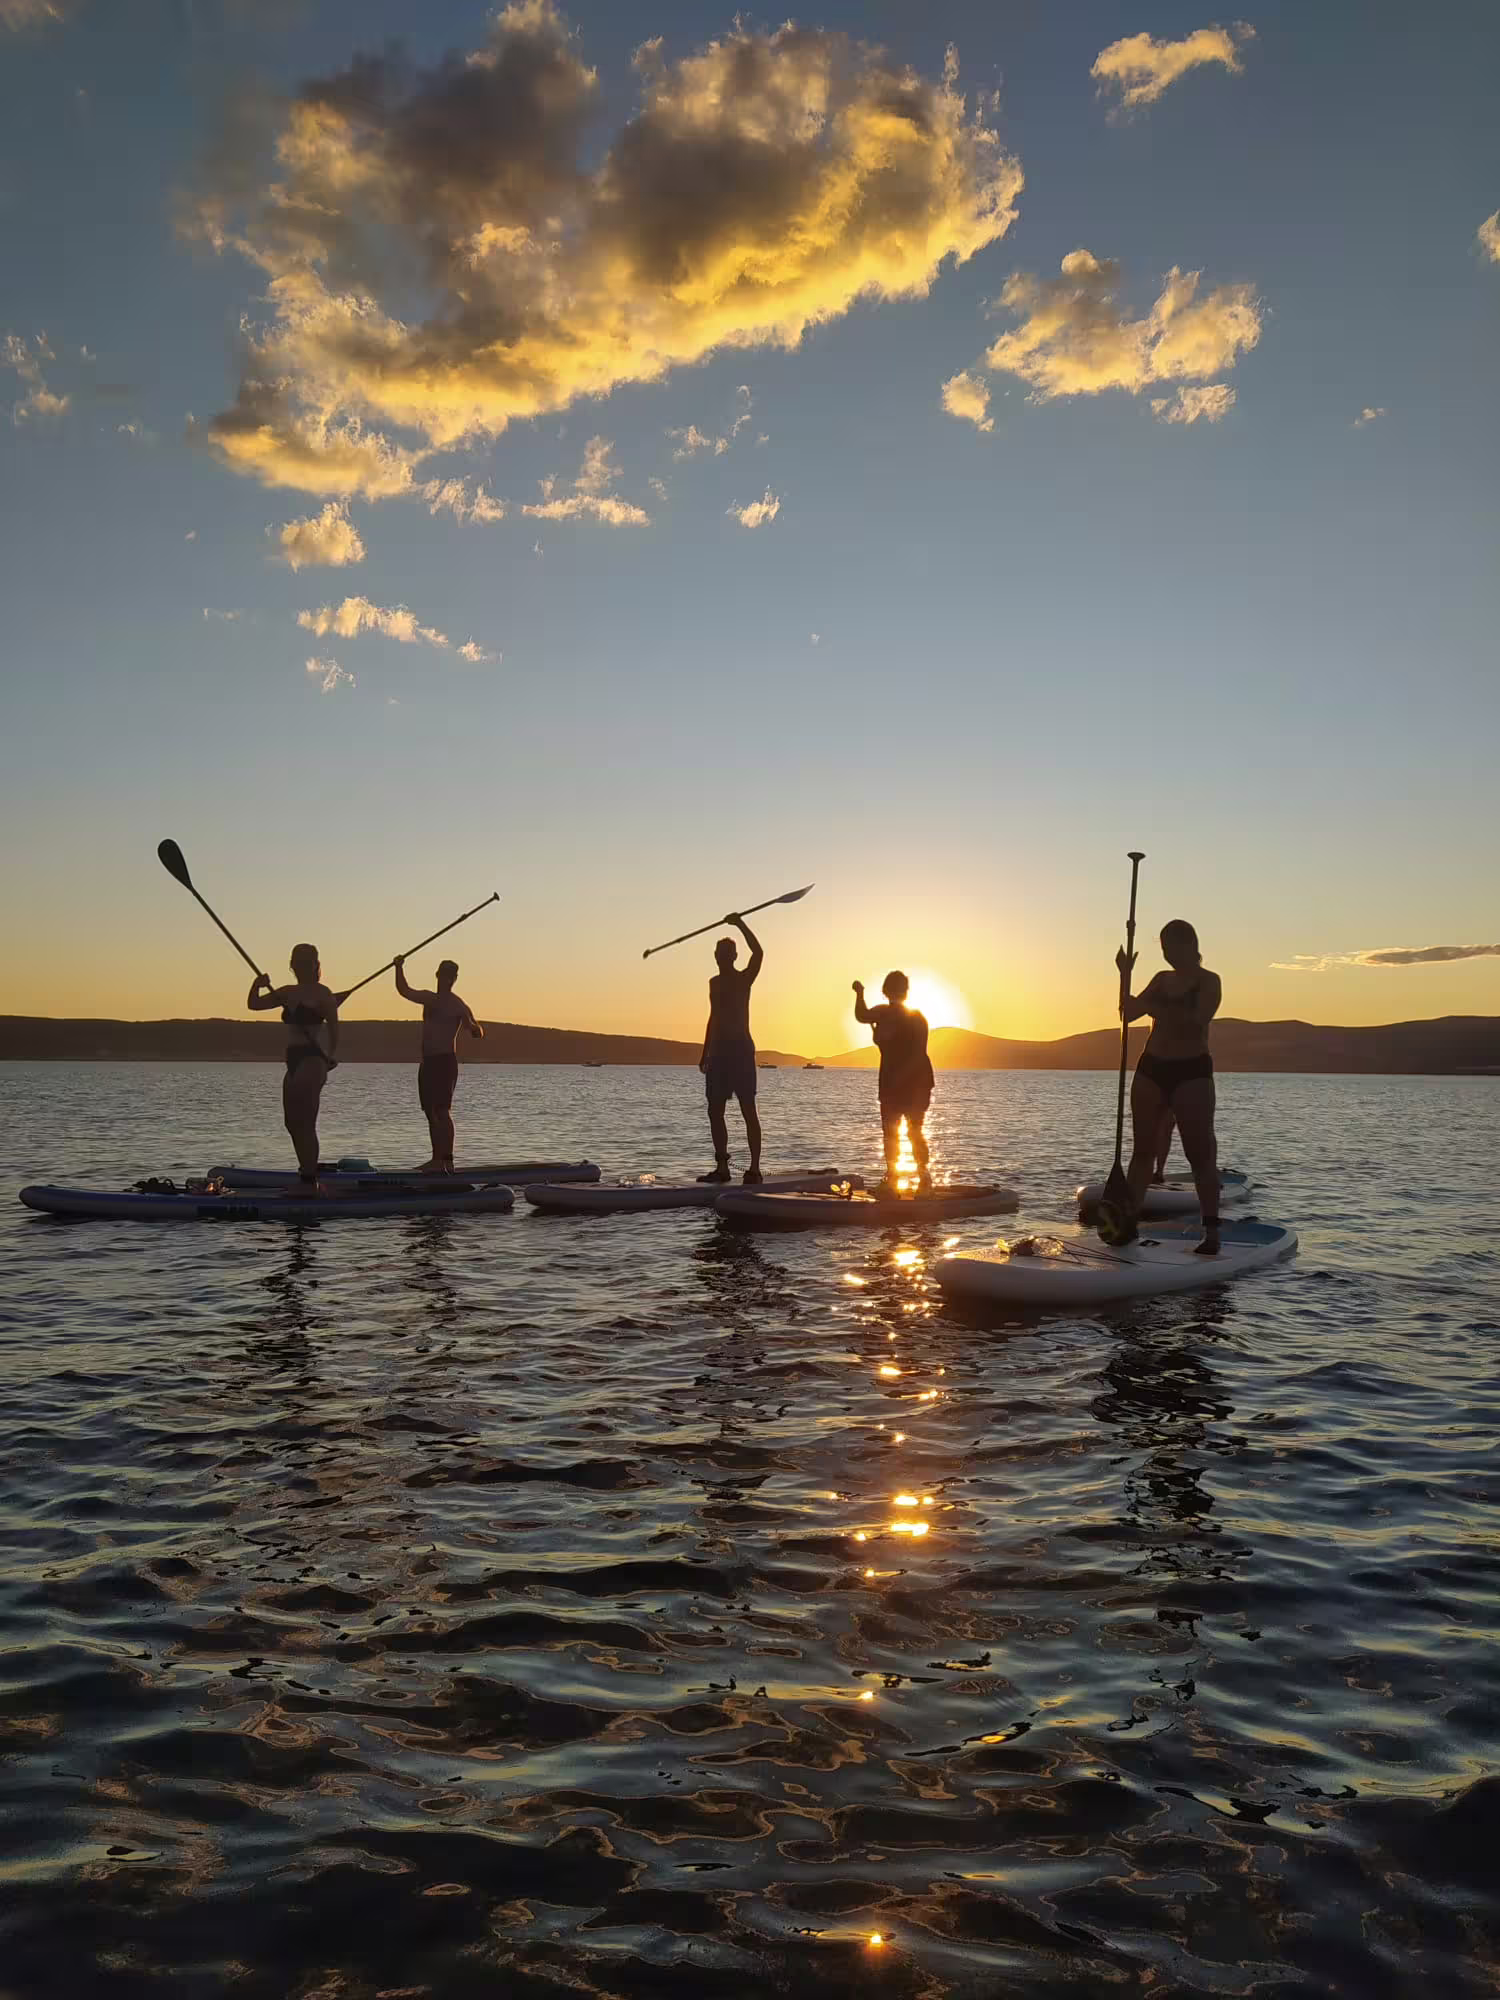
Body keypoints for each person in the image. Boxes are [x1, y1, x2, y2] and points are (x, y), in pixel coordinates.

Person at [1117, 919, 1222, 1252]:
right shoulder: (1161, 980)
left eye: (1170, 945)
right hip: (1151, 1068)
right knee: (1142, 1152)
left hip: (1191, 1070)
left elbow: (1195, 1021)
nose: (1166, 953)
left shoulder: (1209, 982)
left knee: (1199, 1153)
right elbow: (1128, 1014)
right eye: (1162, 946)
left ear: (1189, 945)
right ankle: (1128, 1223)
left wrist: (1151, 1005)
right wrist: (1124, 975)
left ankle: (1212, 1232)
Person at [247, 944, 339, 1187]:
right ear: (292, 965)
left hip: (313, 1059)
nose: (301, 966)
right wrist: (257, 984)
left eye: (306, 962)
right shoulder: (287, 992)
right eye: (297, 962)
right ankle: (306, 1169)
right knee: (291, 1123)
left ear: (315, 965)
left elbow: (334, 1030)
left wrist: (330, 1056)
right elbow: (254, 1005)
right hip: (293, 1060)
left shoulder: (323, 994)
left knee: (306, 1122)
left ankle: (310, 1181)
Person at [394, 956, 484, 1172]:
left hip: (445, 1061)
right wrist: (398, 968)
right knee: (429, 1111)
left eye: (451, 977)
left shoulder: (458, 1004)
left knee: (442, 1110)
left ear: (455, 979)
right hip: (427, 1062)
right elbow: (404, 990)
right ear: (438, 975)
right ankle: (437, 1160)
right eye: (444, 975)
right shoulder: (429, 998)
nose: (447, 979)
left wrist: (473, 1028)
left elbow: (476, 1029)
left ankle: (448, 1161)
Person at [853, 971, 935, 1193]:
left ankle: (919, 1179)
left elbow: (916, 1053)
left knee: (904, 1131)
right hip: (903, 1083)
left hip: (909, 1083)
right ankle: (899, 1179)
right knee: (902, 1131)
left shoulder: (907, 1017)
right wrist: (860, 995)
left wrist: (860, 995)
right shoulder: (895, 1015)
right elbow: (862, 1016)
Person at [697, 915, 763, 1185]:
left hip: (741, 1052)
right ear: (715, 956)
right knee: (715, 1110)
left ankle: (754, 1169)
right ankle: (722, 1168)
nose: (722, 956)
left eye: (727, 953)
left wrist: (740, 924)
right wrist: (705, 1052)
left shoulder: (744, 979)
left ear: (734, 956)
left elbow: (758, 952)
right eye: (719, 953)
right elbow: (713, 1017)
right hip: (719, 1054)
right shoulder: (714, 983)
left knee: (748, 1108)